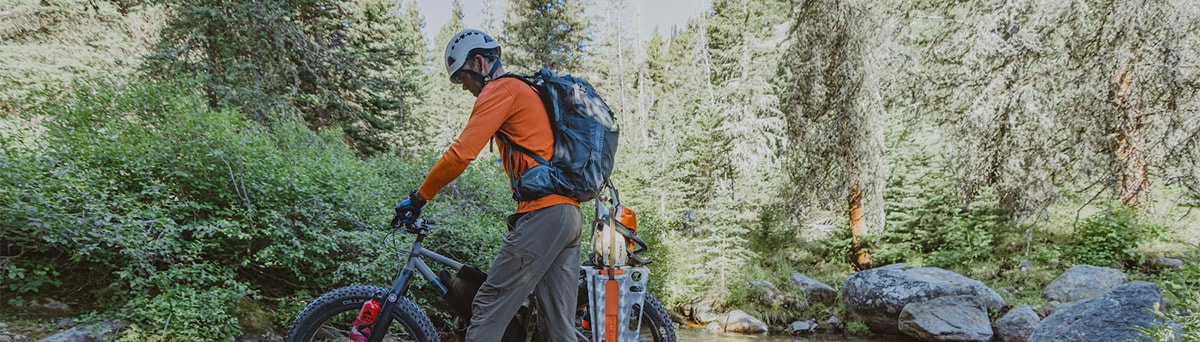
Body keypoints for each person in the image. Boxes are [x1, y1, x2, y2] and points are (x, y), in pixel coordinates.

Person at [392, 28, 582, 342]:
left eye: (463, 78)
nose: (465, 87)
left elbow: (460, 154)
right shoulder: (527, 91)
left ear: (480, 62)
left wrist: (419, 197)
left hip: (545, 215)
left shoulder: (501, 90)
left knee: (487, 310)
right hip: (568, 216)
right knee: (558, 329)